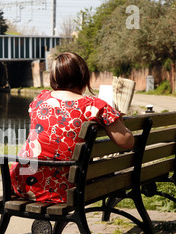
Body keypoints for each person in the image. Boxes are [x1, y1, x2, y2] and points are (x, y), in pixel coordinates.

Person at [10, 52, 134, 204]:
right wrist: (117, 119)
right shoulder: (95, 106)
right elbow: (127, 142)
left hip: (25, 184)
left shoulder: (39, 100)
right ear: (84, 77)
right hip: (67, 188)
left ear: (53, 78)